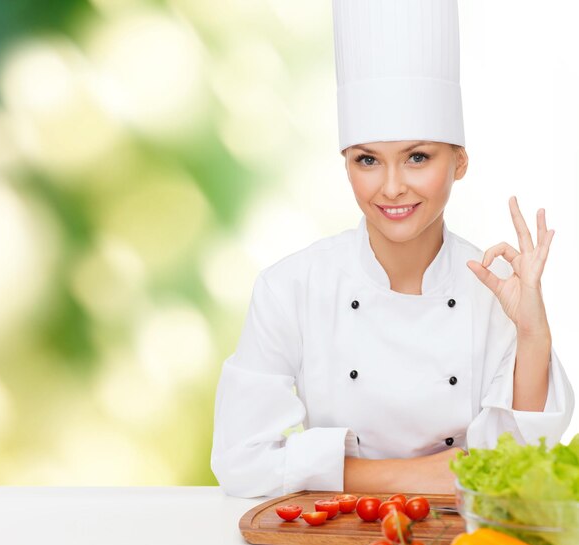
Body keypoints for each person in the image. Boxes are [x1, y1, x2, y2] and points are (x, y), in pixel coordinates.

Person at [210, 0, 575, 498]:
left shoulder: (495, 291)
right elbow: (240, 460)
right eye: (368, 161)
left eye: (417, 157)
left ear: (460, 161)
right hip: (333, 537)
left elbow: (521, 460)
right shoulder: (291, 287)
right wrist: (418, 477)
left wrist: (533, 331)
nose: (392, 187)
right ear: (345, 164)